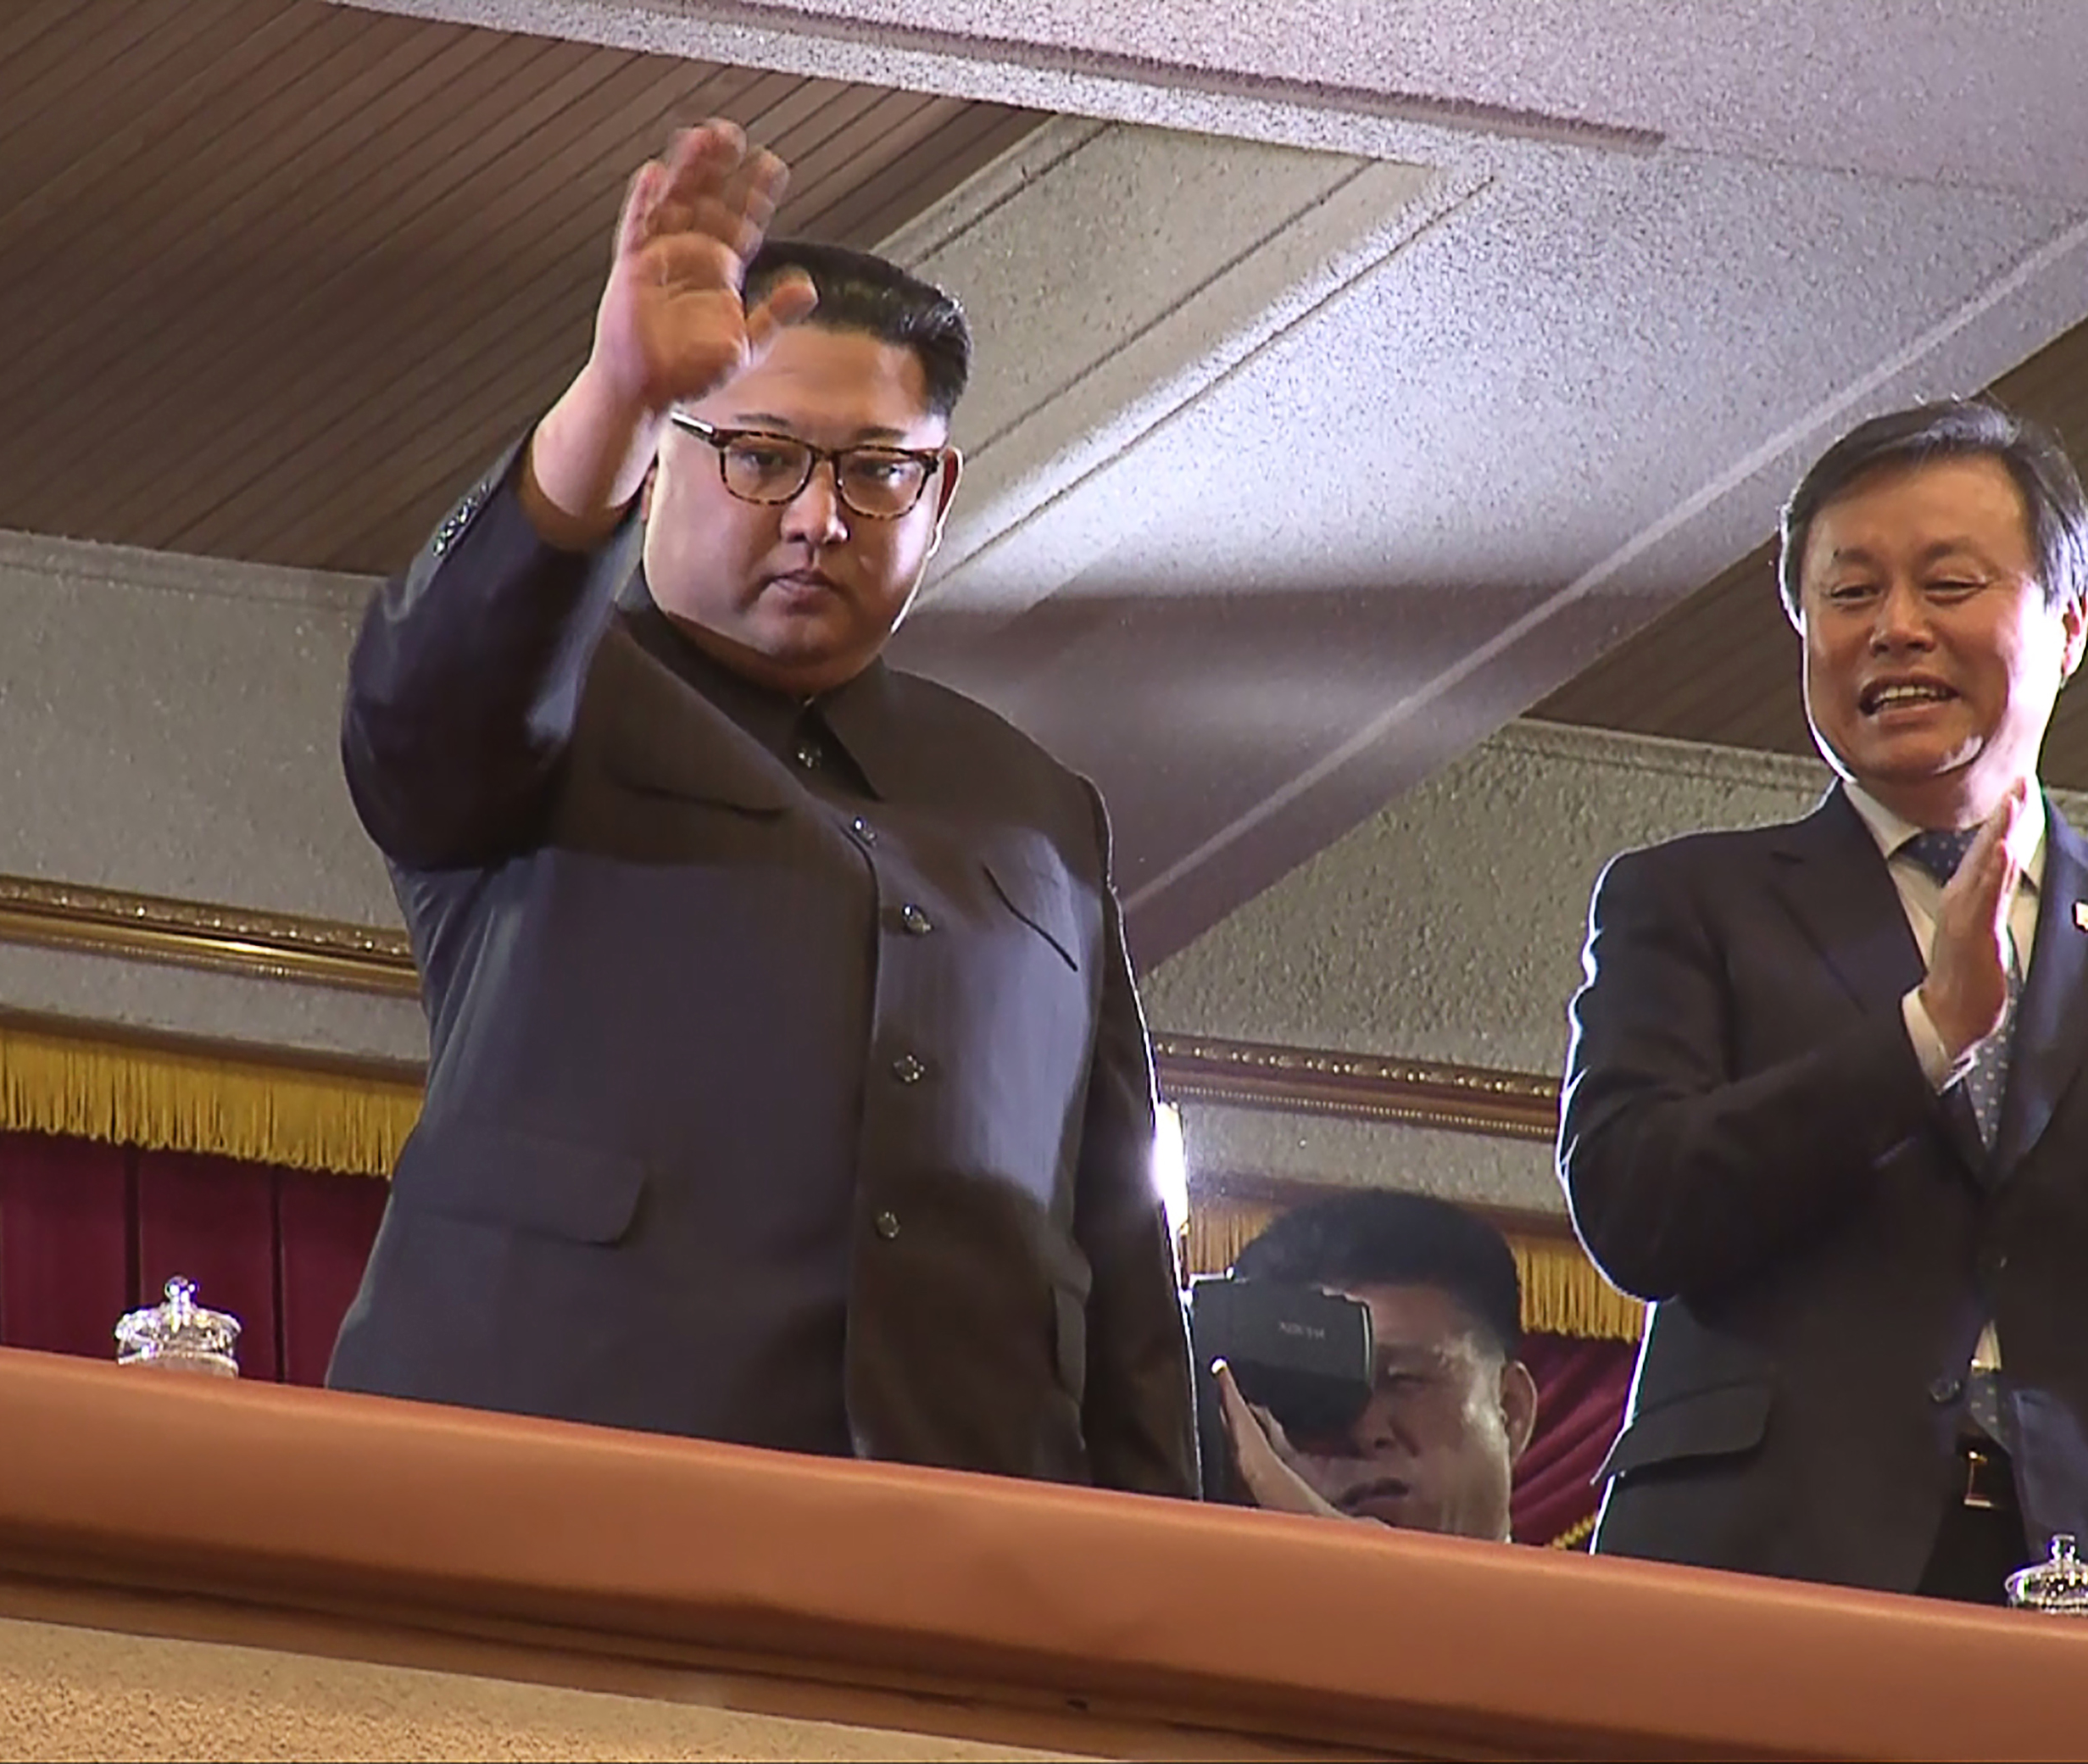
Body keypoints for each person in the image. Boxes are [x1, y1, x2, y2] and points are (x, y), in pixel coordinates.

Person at [324, 119, 1196, 1499]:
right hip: (552, 1483)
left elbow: (1121, 1240)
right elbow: (418, 702)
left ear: (939, 489)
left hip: (957, 1534)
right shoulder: (554, 696)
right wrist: (608, 397)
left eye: (873, 471)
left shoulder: (1036, 808)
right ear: (666, 458)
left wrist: (1162, 1587)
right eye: (761, 455)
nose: (816, 518)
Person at [1554, 398, 2088, 1630]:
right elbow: (1634, 1208)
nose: (1896, 629)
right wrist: (1923, 1038)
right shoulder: (1687, 900)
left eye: (1948, 583)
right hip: (1759, 1574)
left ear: (2067, 624)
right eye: (1850, 593)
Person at [1210, 1189, 1540, 1542]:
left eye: (1403, 1381)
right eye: (1319, 1392)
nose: (1366, 1432)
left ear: (1510, 1410)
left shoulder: (1599, 1596)